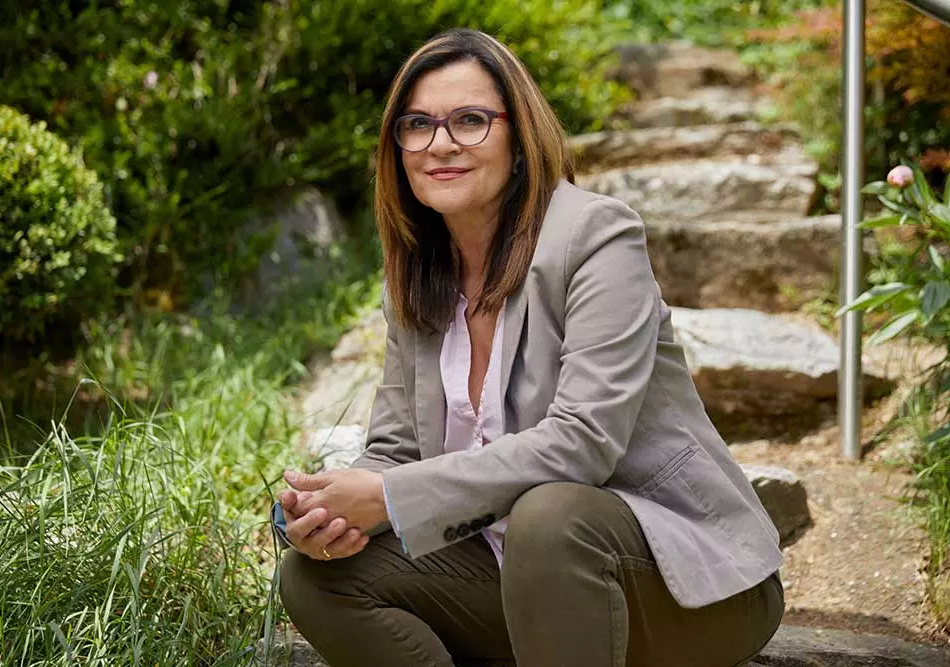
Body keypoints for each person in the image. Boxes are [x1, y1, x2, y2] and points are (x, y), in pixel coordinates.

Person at [273, 28, 785, 667]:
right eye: (418, 124)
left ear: (519, 138)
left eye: (470, 121)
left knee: (550, 517)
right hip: (515, 581)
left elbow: (583, 441)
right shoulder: (416, 272)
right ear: (396, 146)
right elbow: (396, 451)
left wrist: (390, 498)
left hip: (683, 587)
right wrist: (325, 512)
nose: (441, 144)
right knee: (316, 578)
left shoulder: (595, 236)